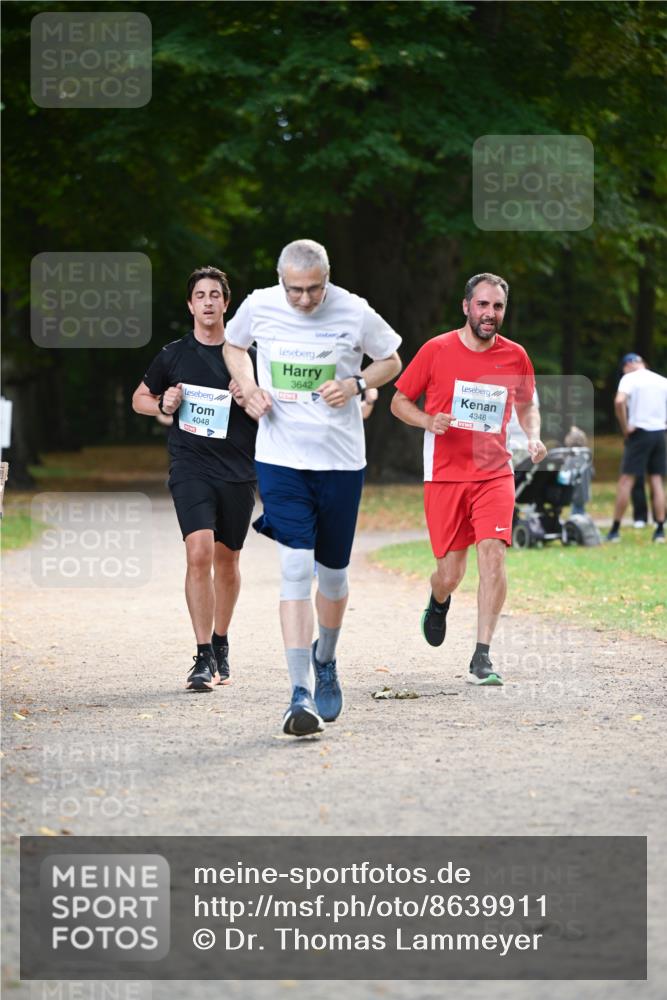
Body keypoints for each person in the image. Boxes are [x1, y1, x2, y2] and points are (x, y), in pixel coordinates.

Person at [223, 239, 401, 736]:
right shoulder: (259, 304)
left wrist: (358, 385)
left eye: (314, 289)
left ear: (328, 277)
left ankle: (326, 655)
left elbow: (392, 360)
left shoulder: (354, 310)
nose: (303, 300)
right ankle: (298, 693)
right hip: (280, 457)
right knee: (296, 566)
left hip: (341, 462)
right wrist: (250, 386)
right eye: (295, 289)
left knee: (335, 577)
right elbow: (234, 347)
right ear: (281, 279)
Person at [391, 273, 546, 686]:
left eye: (497, 307)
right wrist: (427, 420)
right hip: (444, 475)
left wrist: (531, 436)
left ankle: (483, 655)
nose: (490, 314)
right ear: (466, 307)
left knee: (493, 553)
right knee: (451, 573)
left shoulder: (516, 356)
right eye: (482, 305)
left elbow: (529, 405)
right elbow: (398, 401)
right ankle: (438, 600)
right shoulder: (435, 350)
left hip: (495, 472)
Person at [132, 266, 258, 691]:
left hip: (239, 469)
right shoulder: (173, 355)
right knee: (199, 552)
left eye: (215, 295)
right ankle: (202, 656)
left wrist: (251, 395)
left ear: (226, 303)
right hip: (190, 466)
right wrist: (164, 404)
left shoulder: (248, 357)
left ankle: (221, 641)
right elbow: (140, 399)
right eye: (200, 295)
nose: (207, 302)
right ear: (190, 305)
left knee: (227, 561)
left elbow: (274, 408)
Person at [606, 353, 667, 544]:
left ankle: (615, 530)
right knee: (657, 481)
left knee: (626, 480)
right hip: (659, 433)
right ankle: (659, 530)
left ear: (629, 365)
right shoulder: (661, 380)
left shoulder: (629, 379)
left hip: (639, 433)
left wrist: (625, 428)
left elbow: (619, 401)